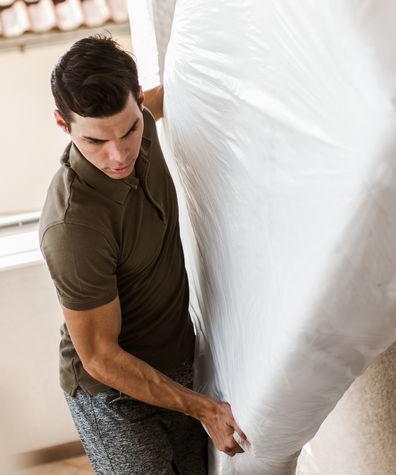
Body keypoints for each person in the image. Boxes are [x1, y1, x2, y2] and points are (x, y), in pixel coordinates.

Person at [39, 35, 248, 474]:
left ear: (136, 102)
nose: (118, 155)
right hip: (112, 396)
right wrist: (204, 409)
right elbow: (99, 355)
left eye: (129, 130)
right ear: (63, 123)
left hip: (179, 363)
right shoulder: (73, 228)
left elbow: (174, 92)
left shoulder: (140, 121)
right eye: (95, 141)